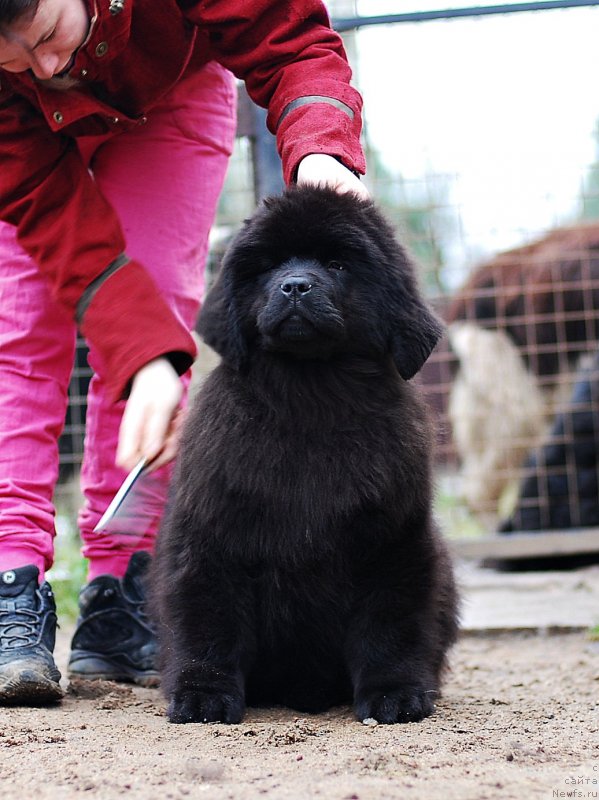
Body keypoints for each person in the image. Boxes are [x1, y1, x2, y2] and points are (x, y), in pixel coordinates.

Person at [0, 0, 368, 704]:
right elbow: (54, 216)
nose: (45, 65)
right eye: (12, 53)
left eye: (46, 32)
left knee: (163, 316)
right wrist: (136, 350)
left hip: (169, 97)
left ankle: (123, 587)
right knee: (17, 330)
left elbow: (288, 41)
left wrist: (320, 147)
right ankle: (10, 583)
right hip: (22, 138)